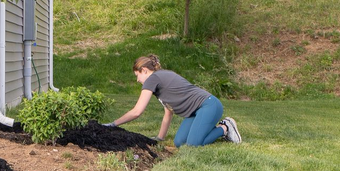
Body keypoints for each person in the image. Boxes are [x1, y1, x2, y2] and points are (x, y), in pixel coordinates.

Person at [104, 55, 242, 147]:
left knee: (193, 144)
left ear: (144, 70)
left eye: (137, 75)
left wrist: (113, 124)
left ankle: (225, 127)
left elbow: (137, 111)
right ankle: (205, 127)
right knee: (179, 143)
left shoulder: (153, 79)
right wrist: (160, 137)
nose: (137, 80)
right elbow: (168, 112)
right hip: (196, 112)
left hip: (209, 105)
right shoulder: (160, 80)